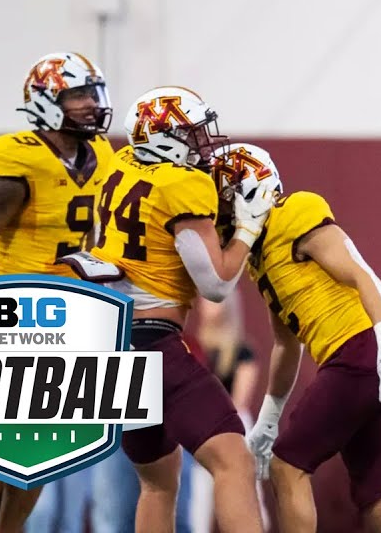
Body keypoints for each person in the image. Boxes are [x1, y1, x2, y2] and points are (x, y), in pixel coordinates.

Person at [68, 86, 271, 533]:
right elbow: (215, 285)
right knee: (233, 459)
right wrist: (247, 227)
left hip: (109, 347)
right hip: (152, 343)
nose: (202, 143)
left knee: (158, 483)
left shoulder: (119, 164)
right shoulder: (183, 185)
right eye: (191, 133)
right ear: (162, 138)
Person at [216, 144, 381, 532]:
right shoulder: (260, 257)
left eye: (223, 201)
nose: (220, 215)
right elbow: (285, 344)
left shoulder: (294, 214)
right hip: (365, 357)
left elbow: (361, 273)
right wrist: (268, 418)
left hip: (361, 352)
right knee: (377, 497)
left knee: (288, 465)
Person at [0, 52, 115, 533]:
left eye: (93, 93)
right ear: (45, 103)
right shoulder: (18, 158)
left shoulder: (100, 152)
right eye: (77, 94)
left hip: (69, 307)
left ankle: (10, 530)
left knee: (49, 438)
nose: (90, 104)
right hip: (13, 303)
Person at [191, 294, 263, 532]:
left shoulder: (242, 352)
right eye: (204, 300)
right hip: (199, 430)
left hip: (231, 426)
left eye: (212, 300)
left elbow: (239, 404)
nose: (206, 305)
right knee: (197, 501)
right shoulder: (193, 349)